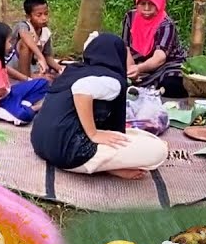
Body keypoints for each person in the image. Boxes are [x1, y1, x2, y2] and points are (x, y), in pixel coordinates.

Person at [30, 32, 169, 180]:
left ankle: (108, 165)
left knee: (136, 135)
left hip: (41, 142)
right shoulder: (112, 80)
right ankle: (104, 165)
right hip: (68, 151)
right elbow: (81, 89)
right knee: (158, 150)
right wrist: (93, 134)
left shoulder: (74, 70)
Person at [122, 0, 188, 98]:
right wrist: (130, 70)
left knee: (172, 85)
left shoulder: (166, 24)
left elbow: (160, 58)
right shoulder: (130, 17)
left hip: (166, 65)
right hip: (137, 62)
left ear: (159, 3)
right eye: (142, 4)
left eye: (151, 4)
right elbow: (126, 47)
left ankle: (153, 89)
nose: (146, 8)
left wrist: (139, 68)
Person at [0, 21, 50, 125]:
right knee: (24, 117)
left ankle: (21, 104)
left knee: (42, 83)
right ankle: (33, 107)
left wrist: (28, 81)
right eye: (8, 42)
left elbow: (7, 70)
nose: (11, 45)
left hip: (8, 93)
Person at [8, 0, 65, 80]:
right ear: (28, 17)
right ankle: (27, 79)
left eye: (46, 14)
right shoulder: (23, 26)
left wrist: (59, 68)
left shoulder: (45, 32)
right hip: (14, 68)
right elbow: (25, 35)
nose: (44, 18)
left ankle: (34, 78)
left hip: (33, 67)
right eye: (39, 15)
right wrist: (40, 56)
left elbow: (47, 56)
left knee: (54, 78)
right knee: (26, 43)